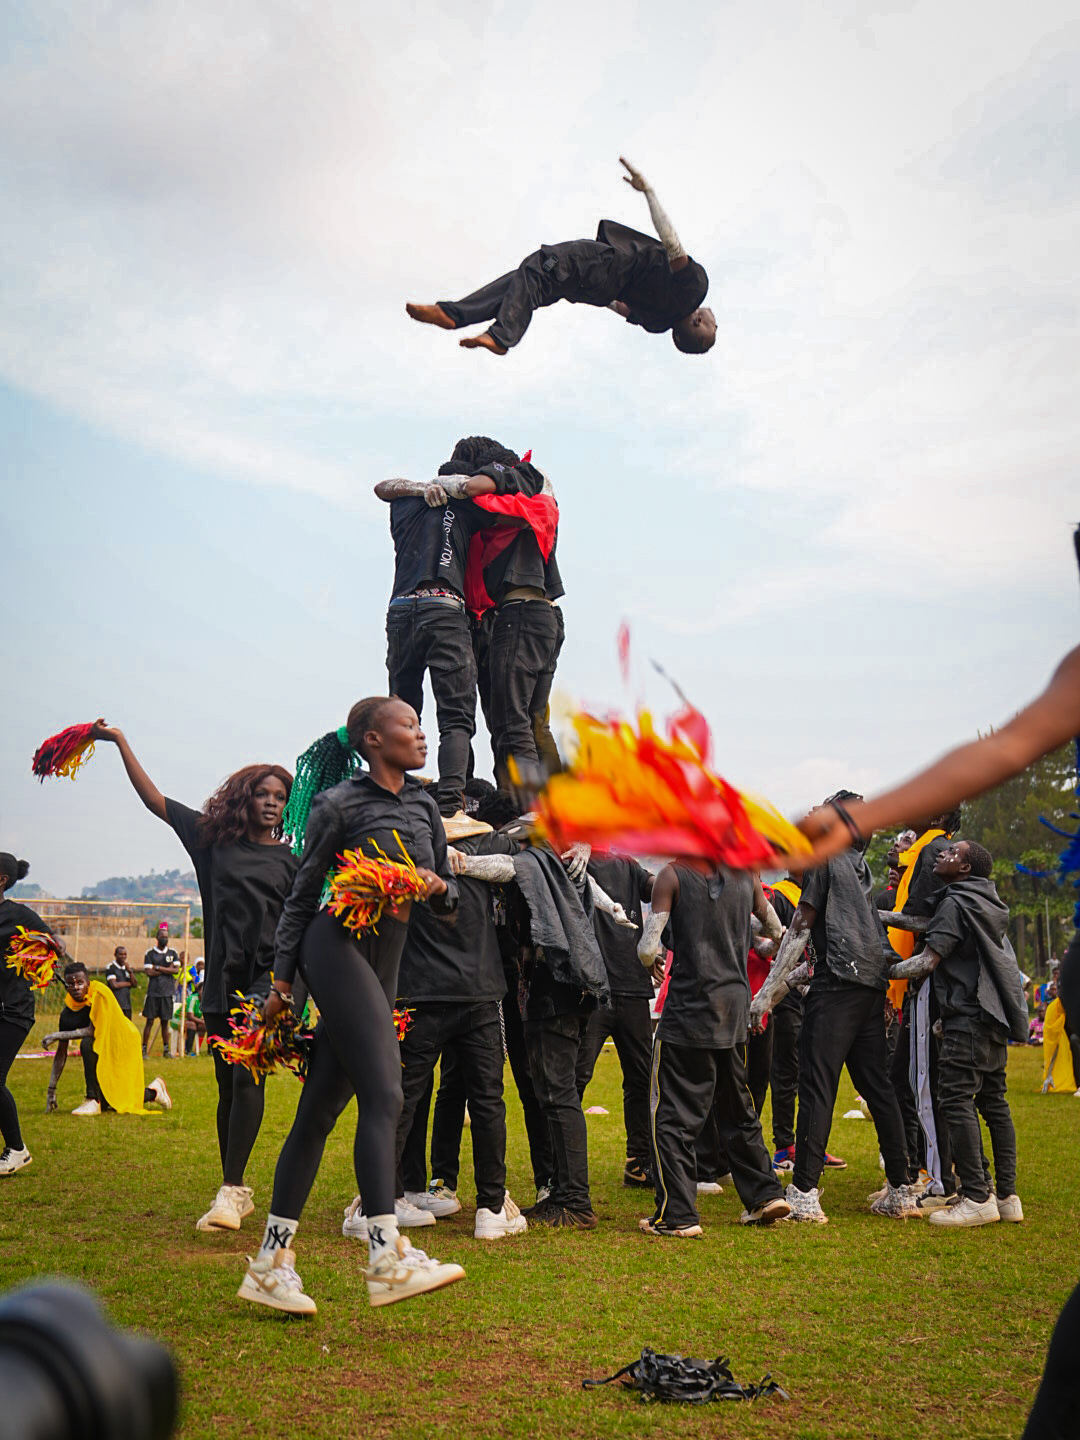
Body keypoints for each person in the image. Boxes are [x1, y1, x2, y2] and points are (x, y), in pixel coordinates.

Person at [238, 697, 465, 1314]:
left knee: (316, 1117)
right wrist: (282, 989)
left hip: (383, 967)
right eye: (410, 727)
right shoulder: (338, 805)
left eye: (422, 727)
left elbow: (442, 894)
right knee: (387, 1095)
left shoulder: (423, 804)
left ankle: (270, 1264)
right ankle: (385, 1255)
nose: (423, 736)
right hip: (333, 946)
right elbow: (301, 897)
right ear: (371, 739)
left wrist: (438, 886)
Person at [89, 721, 298, 1234]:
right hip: (220, 986)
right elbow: (155, 800)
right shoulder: (212, 842)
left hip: (268, 985)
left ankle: (232, 1190)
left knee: (248, 1075)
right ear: (244, 799)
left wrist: (288, 988)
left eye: (280, 796)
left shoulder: (293, 861)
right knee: (228, 1088)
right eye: (263, 794)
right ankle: (235, 1188)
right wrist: (120, 742)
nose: (272, 803)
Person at [752, 791, 913, 1224]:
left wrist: (765, 996)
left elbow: (802, 927)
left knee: (817, 1084)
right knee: (877, 1087)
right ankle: (902, 1189)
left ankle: (804, 1192)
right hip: (868, 985)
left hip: (838, 986)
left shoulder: (826, 858)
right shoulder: (857, 865)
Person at [372, 439, 549, 819]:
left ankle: (394, 795)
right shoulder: (470, 507)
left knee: (401, 711)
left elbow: (382, 487)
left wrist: (420, 488)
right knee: (456, 716)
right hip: (445, 610)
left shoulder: (405, 504)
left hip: (400, 611)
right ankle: (452, 805)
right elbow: (518, 513)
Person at [406, 158, 714, 357]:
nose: (716, 322)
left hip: (604, 265)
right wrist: (576, 288)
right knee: (526, 281)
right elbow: (621, 307)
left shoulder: (694, 287)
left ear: (698, 320)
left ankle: (501, 336)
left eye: (713, 327)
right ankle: (453, 314)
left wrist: (649, 192)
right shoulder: (659, 323)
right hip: (594, 289)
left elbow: (672, 244)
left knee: (540, 265)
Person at [637, 864, 790, 1236]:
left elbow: (647, 947)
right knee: (738, 1106)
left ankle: (677, 1215)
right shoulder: (748, 876)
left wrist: (651, 961)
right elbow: (776, 932)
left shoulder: (673, 876)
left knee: (672, 1116)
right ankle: (765, 1195)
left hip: (690, 1010)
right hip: (734, 1006)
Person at [899, 841, 1027, 1227]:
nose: (942, 853)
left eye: (952, 852)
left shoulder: (955, 903)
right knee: (995, 1104)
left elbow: (927, 961)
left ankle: (975, 1196)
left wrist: (877, 969)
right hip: (991, 1016)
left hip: (964, 1019)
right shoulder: (986, 903)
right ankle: (1006, 1195)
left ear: (966, 869)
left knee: (954, 1099)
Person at [575, 852, 655, 1188]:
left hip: (633, 987)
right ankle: (559, 1164)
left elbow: (656, 887)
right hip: (592, 990)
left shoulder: (628, 864)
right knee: (577, 1077)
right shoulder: (578, 860)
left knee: (641, 1079)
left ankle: (639, 1161)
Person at [44, 961, 171, 1115]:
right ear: (66, 987)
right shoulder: (67, 1014)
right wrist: (51, 1089)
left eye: (80, 982)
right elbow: (61, 1052)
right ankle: (155, 1092)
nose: (76, 987)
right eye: (71, 984)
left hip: (123, 1041)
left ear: (88, 983)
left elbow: (92, 1031)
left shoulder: (99, 994)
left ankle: (92, 1099)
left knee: (87, 1044)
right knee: (113, 1099)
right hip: (103, 1043)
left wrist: (56, 1035)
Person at [0, 853, 59, 1176]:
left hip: (13, 1010)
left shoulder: (18, 915)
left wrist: (33, 945)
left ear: (2, 880)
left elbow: (56, 945)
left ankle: (17, 1149)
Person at [141, 924, 180, 1059]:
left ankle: (166, 1050)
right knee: (149, 1022)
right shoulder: (150, 953)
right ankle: (144, 1050)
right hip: (153, 992)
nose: (165, 939)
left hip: (167, 992)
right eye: (162, 937)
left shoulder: (172, 953)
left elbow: (175, 971)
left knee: (165, 1022)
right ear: (157, 938)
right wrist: (166, 969)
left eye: (166, 937)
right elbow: (148, 972)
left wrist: (158, 967)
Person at [105, 945, 136, 1019]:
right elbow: (114, 985)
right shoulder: (111, 967)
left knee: (127, 1027)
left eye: (125, 954)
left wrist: (130, 972)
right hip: (116, 1003)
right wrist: (128, 983)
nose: (123, 956)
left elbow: (134, 984)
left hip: (126, 1004)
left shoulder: (127, 967)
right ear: (115, 955)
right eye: (121, 954)